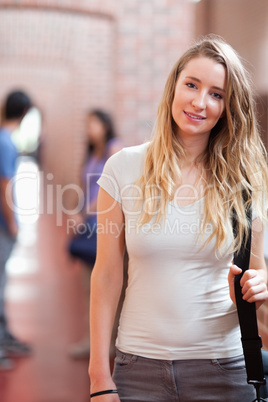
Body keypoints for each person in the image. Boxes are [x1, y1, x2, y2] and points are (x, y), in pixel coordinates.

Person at [88, 34, 268, 402]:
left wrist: (262, 286)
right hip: (137, 369)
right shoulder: (123, 168)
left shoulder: (245, 183)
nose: (200, 102)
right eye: (192, 85)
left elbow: (256, 276)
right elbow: (106, 275)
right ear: (174, 87)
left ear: (228, 106)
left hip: (223, 370)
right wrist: (98, 378)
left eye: (217, 94)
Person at [68, 109, 122, 359]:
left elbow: (109, 190)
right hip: (90, 226)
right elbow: (86, 188)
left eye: (93, 123)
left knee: (107, 286)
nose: (88, 128)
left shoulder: (114, 149)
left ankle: (109, 343)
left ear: (105, 124)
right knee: (88, 286)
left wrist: (84, 212)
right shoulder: (92, 153)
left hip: (108, 227)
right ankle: (94, 343)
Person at [0, 90, 33, 370]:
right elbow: (5, 185)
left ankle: (4, 334)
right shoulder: (7, 143)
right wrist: (12, 222)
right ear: (24, 114)